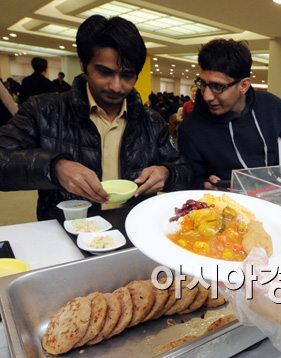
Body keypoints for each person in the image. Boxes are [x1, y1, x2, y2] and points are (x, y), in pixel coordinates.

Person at [0, 15, 191, 221]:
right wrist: (54, 167)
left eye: (127, 75)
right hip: (69, 229)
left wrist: (167, 173)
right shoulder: (44, 110)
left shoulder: (151, 121)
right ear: (84, 65)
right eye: (105, 72)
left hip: (135, 228)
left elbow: (183, 170)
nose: (116, 86)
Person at [178, 39, 281, 189]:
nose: (207, 96)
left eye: (217, 86)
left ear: (243, 85)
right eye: (203, 84)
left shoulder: (273, 108)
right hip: (227, 206)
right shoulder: (191, 129)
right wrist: (203, 184)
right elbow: (191, 178)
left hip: (275, 199)